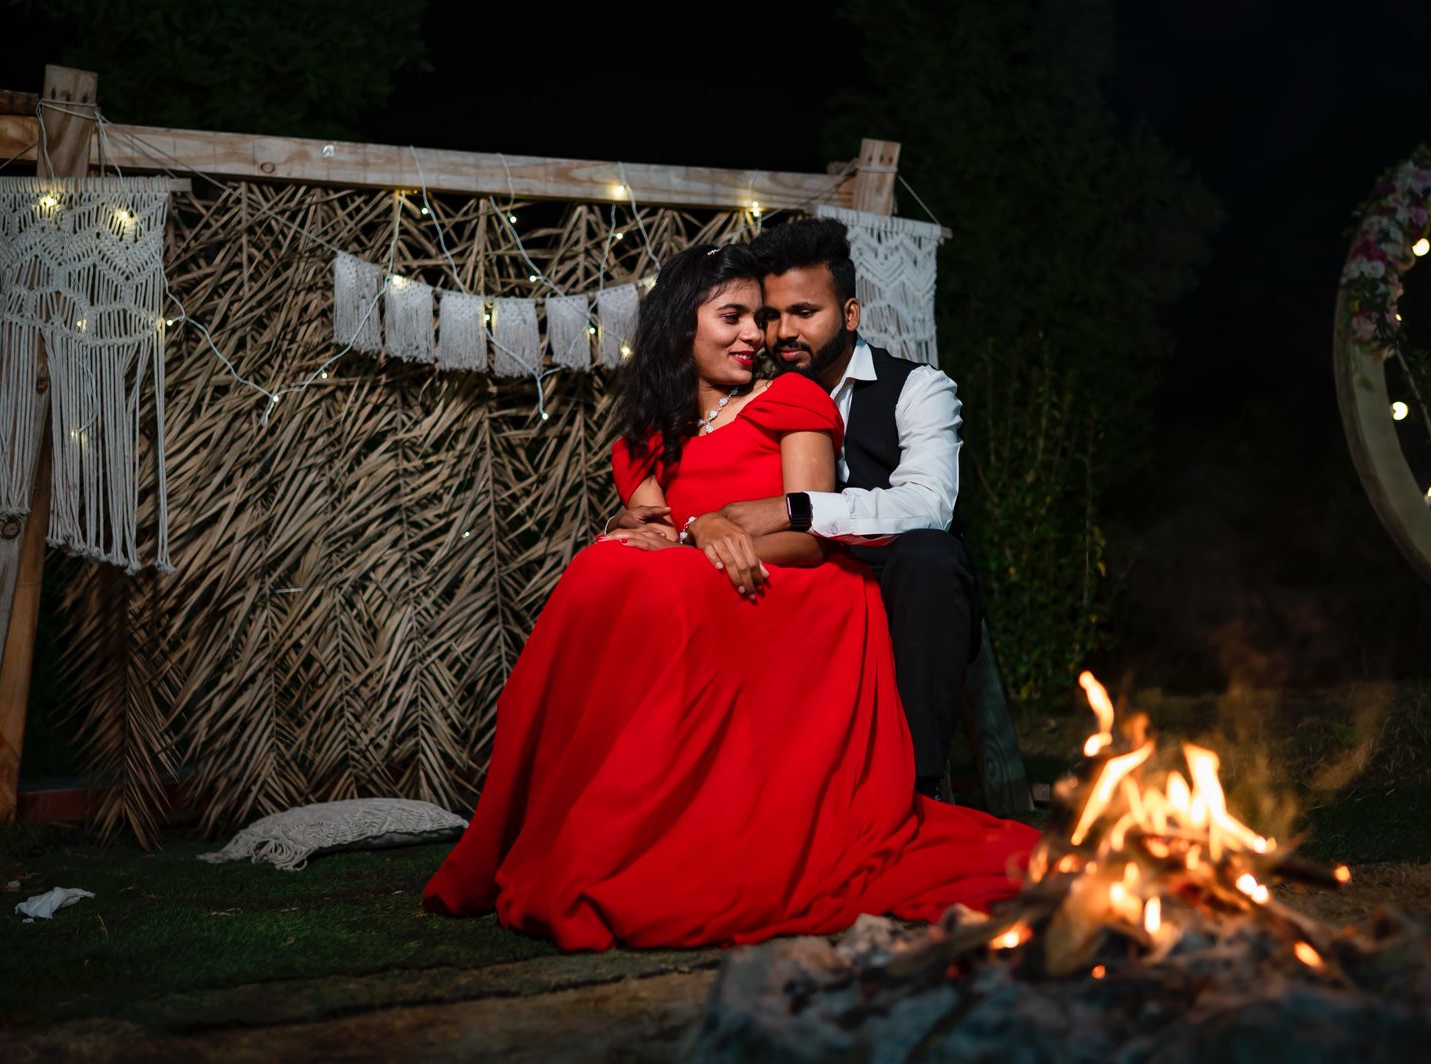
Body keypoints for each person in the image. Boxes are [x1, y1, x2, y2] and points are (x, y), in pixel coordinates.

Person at [423, 243, 1035, 951]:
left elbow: (810, 537)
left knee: (664, 581)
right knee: (601, 568)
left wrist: (698, 537)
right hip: (705, 587)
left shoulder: (794, 400)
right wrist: (668, 532)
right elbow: (647, 534)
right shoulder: (645, 442)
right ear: (682, 325)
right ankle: (579, 819)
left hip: (799, 592)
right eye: (734, 318)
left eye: (761, 318)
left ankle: (644, 828)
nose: (756, 336)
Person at [616, 218, 980, 804]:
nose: (782, 332)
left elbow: (928, 504)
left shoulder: (917, 389)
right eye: (772, 316)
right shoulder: (752, 396)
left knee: (930, 555)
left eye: (804, 313)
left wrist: (794, 509)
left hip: (891, 576)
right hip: (787, 577)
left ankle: (915, 788)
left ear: (850, 314)